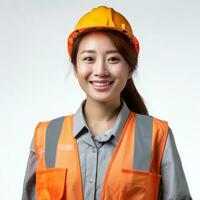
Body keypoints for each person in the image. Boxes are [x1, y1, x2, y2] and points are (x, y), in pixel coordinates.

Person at [22, 5, 192, 200]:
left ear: (130, 69)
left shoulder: (156, 135)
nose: (100, 70)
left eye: (113, 59)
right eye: (89, 58)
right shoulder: (46, 136)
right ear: (76, 68)